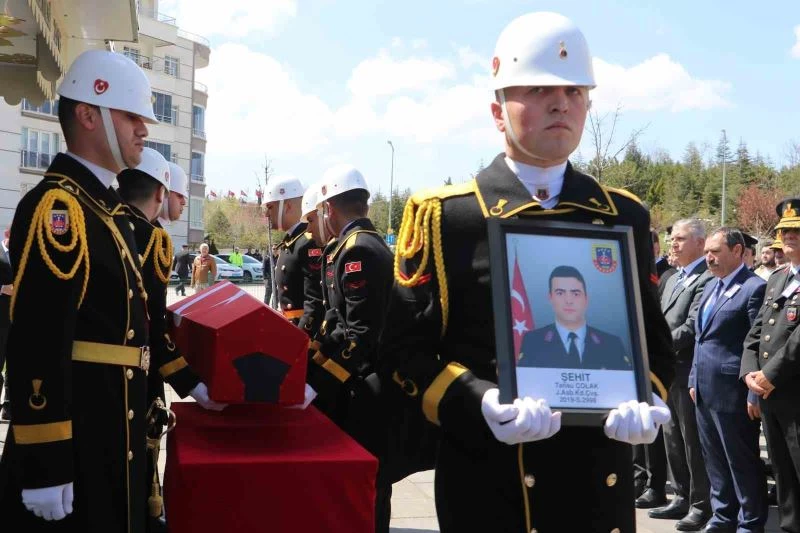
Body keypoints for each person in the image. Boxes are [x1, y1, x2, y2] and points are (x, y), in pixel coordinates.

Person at [379, 12, 674, 532]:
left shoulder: (623, 216)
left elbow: (655, 343)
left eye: (576, 92)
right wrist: (478, 401)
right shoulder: (449, 216)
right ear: (498, 111)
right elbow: (404, 352)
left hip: (595, 489)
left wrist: (646, 397)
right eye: (538, 89)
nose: (561, 103)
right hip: (490, 489)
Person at [0, 49, 156, 532]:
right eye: (133, 116)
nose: (144, 130)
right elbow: (38, 340)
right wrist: (44, 459)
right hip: (82, 443)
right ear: (88, 115)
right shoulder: (58, 207)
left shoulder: (106, 212)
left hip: (112, 433)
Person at [118, 150, 225, 531]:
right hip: (138, 379)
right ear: (162, 194)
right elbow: (154, 331)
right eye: (179, 196)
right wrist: (195, 386)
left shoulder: (101, 222)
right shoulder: (154, 240)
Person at [308, 165, 395, 533]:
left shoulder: (358, 250)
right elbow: (334, 321)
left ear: (328, 209)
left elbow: (359, 335)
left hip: (365, 388)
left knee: (369, 489)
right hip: (355, 384)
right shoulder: (351, 246)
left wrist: (317, 384)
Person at [688, 227, 767, 532]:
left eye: (715, 251)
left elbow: (757, 343)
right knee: (715, 460)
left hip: (734, 391)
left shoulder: (754, 288)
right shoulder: (711, 287)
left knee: (741, 461)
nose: (709, 257)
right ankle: (723, 517)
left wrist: (753, 392)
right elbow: (701, 338)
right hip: (705, 389)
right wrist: (694, 378)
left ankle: (750, 522)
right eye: (706, 251)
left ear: (736, 251)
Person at [648, 219, 713, 529]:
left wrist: (655, 344)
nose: (673, 244)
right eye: (671, 238)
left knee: (691, 440)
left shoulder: (707, 278)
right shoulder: (672, 277)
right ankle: (680, 496)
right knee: (672, 436)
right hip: (667, 369)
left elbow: (692, 326)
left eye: (680, 239)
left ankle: (701, 503)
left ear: (700, 243)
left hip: (688, 368)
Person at [742, 199, 800, 533]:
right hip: (770, 394)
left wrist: (769, 375)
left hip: (794, 393)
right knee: (784, 476)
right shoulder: (778, 278)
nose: (788, 235)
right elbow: (758, 331)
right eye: (783, 230)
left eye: (796, 229)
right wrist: (750, 374)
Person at [518, 265, 631, 370]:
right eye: (560, 293)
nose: (568, 301)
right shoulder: (533, 342)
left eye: (575, 293)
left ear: (586, 299)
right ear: (550, 298)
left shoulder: (612, 344)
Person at [263, 176, 323, 329]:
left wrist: (302, 338)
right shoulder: (291, 241)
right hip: (291, 327)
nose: (266, 214)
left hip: (305, 329)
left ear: (288, 206)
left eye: (270, 207)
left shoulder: (309, 242)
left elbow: (315, 301)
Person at [0, 228, 11, 421]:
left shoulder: (22, 253)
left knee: (14, 365)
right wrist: (3, 288)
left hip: (17, 319)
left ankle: (8, 407)